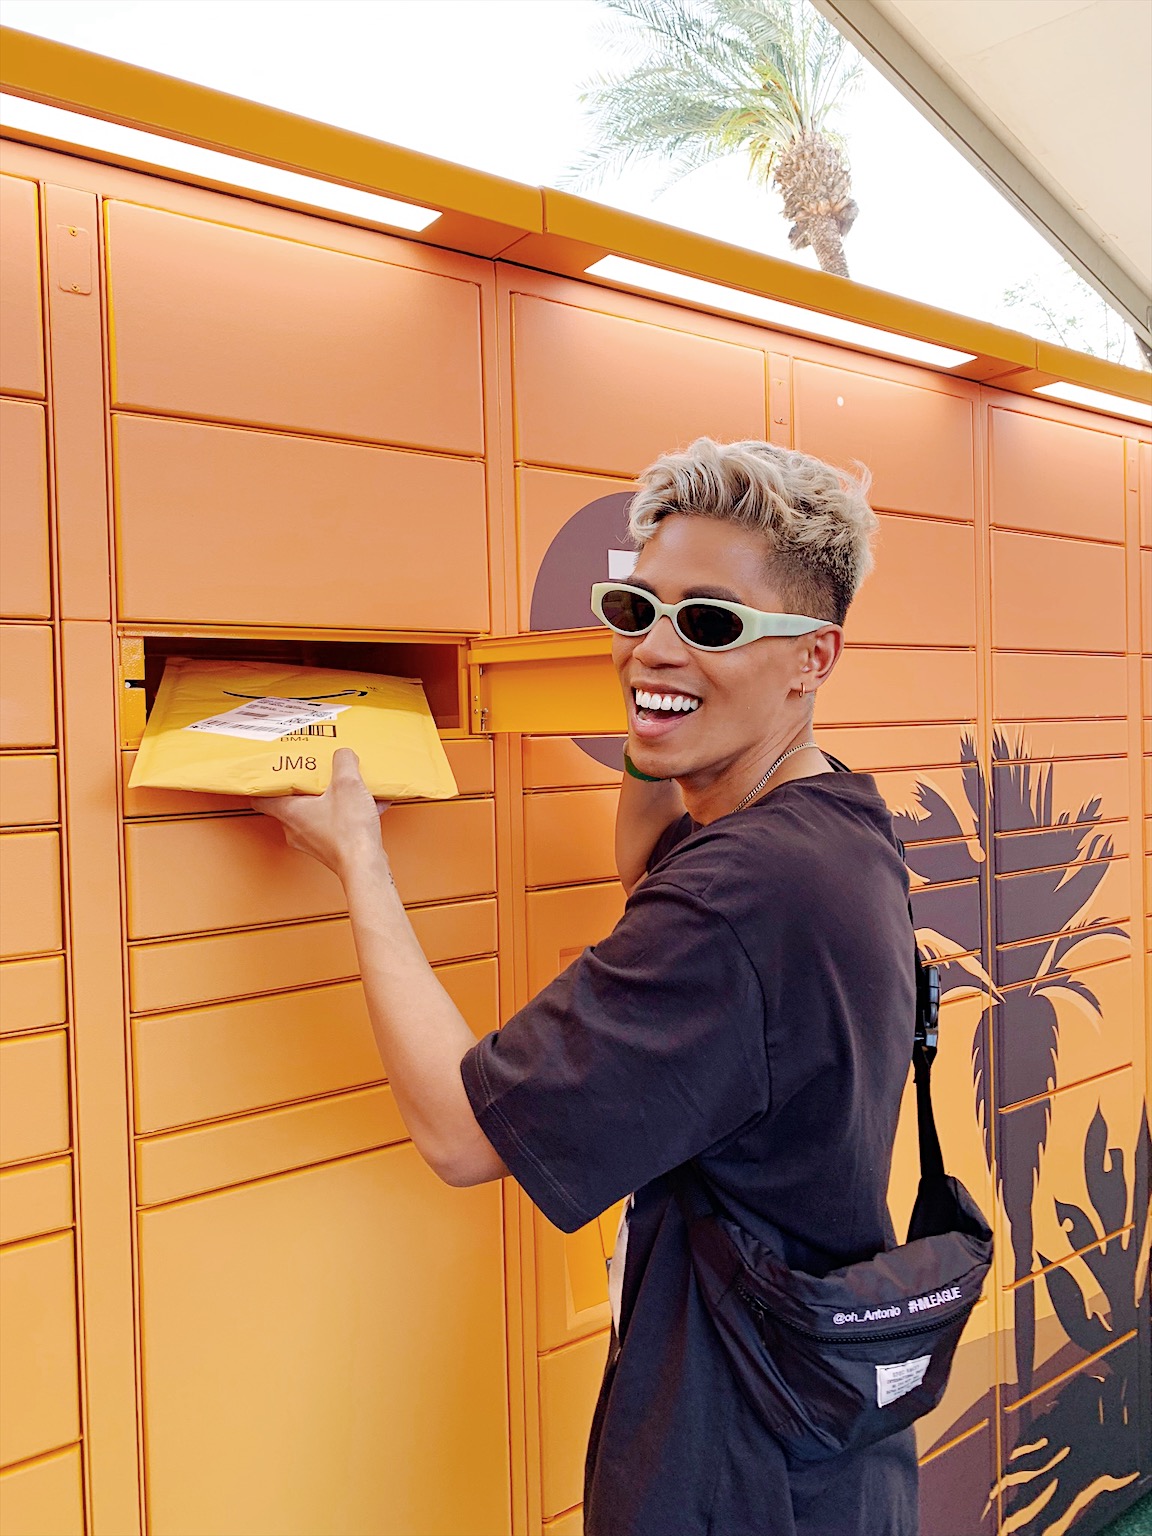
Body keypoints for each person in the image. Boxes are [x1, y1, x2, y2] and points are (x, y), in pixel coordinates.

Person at [256, 437, 919, 1536]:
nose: (654, 645)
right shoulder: (831, 818)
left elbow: (462, 1134)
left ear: (814, 658)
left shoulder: (739, 899)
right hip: (824, 1439)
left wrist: (359, 858)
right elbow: (647, 861)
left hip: (736, 1473)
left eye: (711, 623)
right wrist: (661, 703)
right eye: (634, 609)